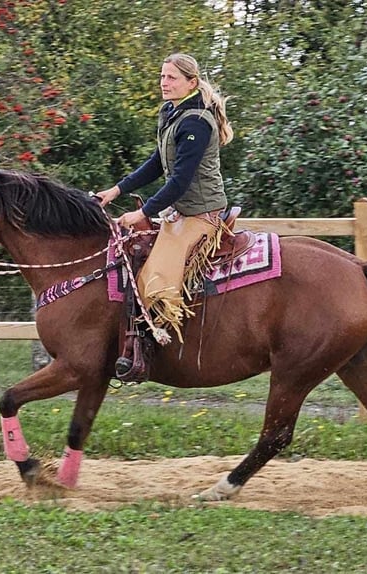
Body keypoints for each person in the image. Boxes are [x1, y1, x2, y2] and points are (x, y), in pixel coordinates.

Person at [96, 52, 234, 380]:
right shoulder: (171, 112)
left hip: (202, 214)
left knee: (154, 281)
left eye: (171, 77)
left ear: (191, 82)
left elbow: (180, 181)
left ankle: (153, 353)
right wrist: (116, 190)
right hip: (181, 211)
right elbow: (157, 162)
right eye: (162, 76)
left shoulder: (197, 122)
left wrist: (142, 212)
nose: (163, 83)